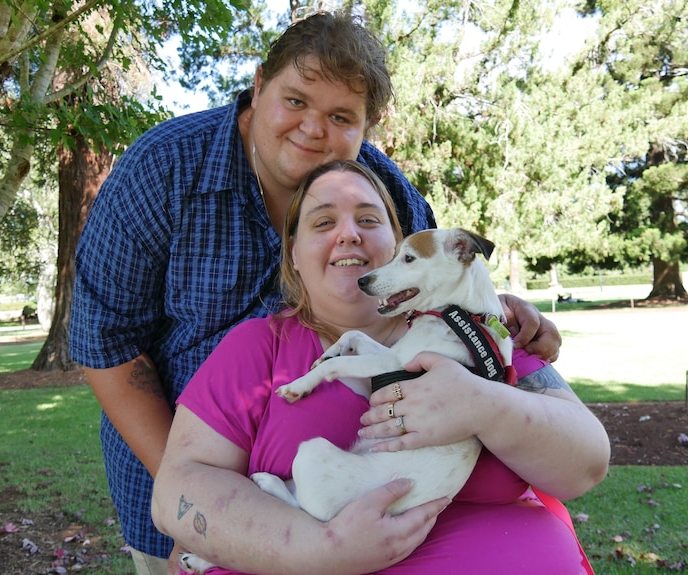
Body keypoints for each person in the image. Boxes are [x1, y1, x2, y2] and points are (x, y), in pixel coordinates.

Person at [69, 11, 563, 573]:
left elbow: (441, 291)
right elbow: (105, 345)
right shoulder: (162, 170)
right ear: (258, 86)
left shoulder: (391, 196)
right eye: (296, 101)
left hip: (359, 488)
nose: (313, 129)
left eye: (340, 116)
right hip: (176, 471)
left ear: (367, 127)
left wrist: (507, 319)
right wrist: (208, 511)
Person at [151, 160, 610, 574]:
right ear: (292, 253)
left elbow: (587, 465)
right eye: (323, 221)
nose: (348, 234)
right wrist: (320, 548)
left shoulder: (488, 333)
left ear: (397, 243)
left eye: (369, 220)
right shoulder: (256, 347)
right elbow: (176, 496)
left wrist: (486, 406)